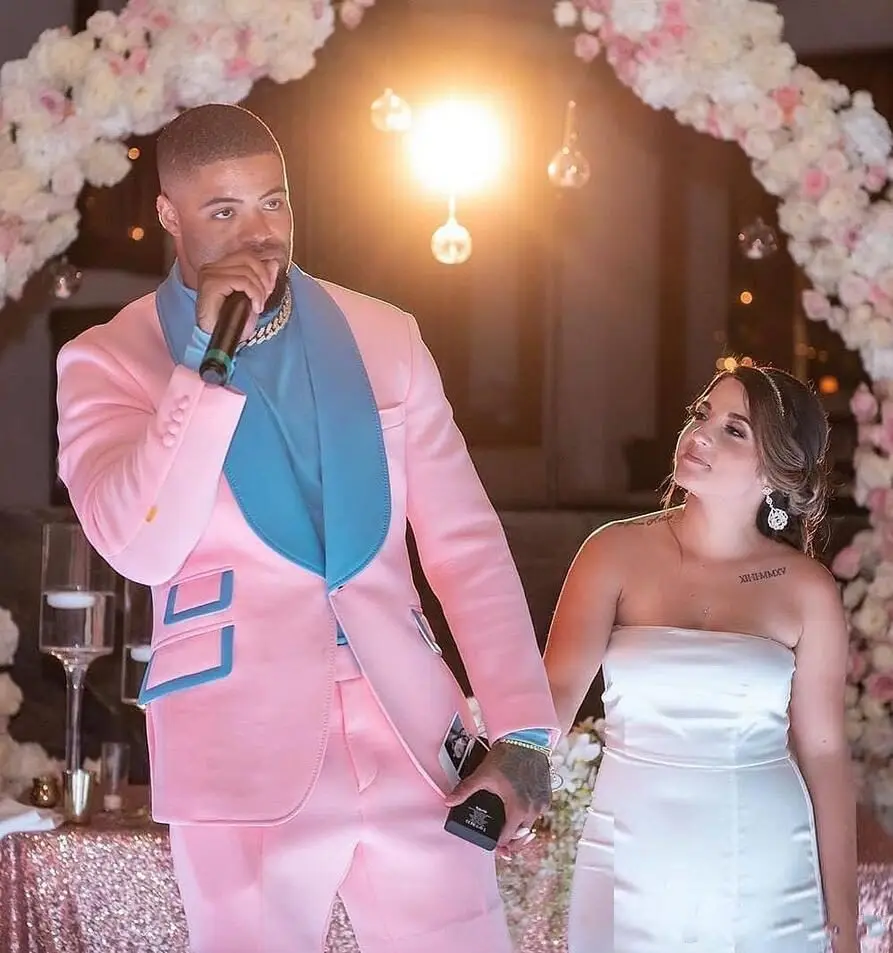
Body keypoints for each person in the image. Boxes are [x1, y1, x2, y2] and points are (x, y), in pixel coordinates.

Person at [55, 103, 558, 953]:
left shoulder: (386, 335)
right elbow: (141, 545)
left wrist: (523, 730)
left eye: (273, 202)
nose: (259, 235)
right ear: (169, 214)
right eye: (224, 211)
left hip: (414, 736)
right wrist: (201, 365)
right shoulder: (107, 358)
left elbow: (465, 542)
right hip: (237, 744)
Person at [544, 364, 858, 953]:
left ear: (776, 470)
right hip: (627, 852)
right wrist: (510, 777)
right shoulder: (612, 552)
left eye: (734, 430)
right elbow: (552, 699)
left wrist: (842, 919)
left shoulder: (806, 589)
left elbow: (824, 752)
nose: (700, 434)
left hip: (766, 863)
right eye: (701, 415)